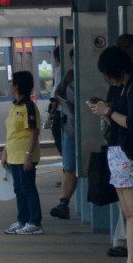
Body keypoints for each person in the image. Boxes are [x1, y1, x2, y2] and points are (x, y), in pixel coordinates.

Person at [88, 46, 133, 263]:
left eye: (108, 72)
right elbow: (116, 123)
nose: (107, 78)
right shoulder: (120, 90)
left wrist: (109, 111)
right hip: (119, 155)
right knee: (129, 213)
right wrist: (104, 112)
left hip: (129, 155)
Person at [3, 69, 43, 234]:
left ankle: (35, 222)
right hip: (14, 156)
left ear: (17, 86)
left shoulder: (28, 107)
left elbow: (34, 132)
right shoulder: (14, 106)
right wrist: (5, 153)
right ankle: (22, 220)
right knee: (19, 189)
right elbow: (12, 133)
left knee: (28, 188)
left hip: (25, 156)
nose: (10, 86)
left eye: (12, 83)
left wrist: (28, 155)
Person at [49, 47, 77, 219]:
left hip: (83, 128)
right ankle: (63, 204)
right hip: (69, 127)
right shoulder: (69, 76)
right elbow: (57, 92)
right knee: (69, 168)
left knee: (71, 168)